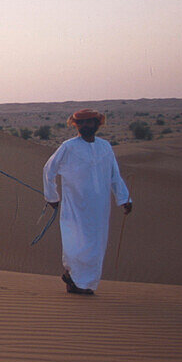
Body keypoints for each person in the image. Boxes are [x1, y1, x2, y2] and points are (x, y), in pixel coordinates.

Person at [43, 109, 133, 295]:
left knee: (96, 245)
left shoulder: (105, 147)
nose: (85, 126)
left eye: (89, 122)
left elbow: (114, 175)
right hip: (75, 206)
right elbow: (49, 170)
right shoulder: (68, 147)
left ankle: (86, 284)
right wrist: (52, 197)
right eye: (81, 123)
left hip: (99, 207)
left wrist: (124, 198)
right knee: (76, 243)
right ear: (75, 125)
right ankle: (73, 278)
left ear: (97, 124)